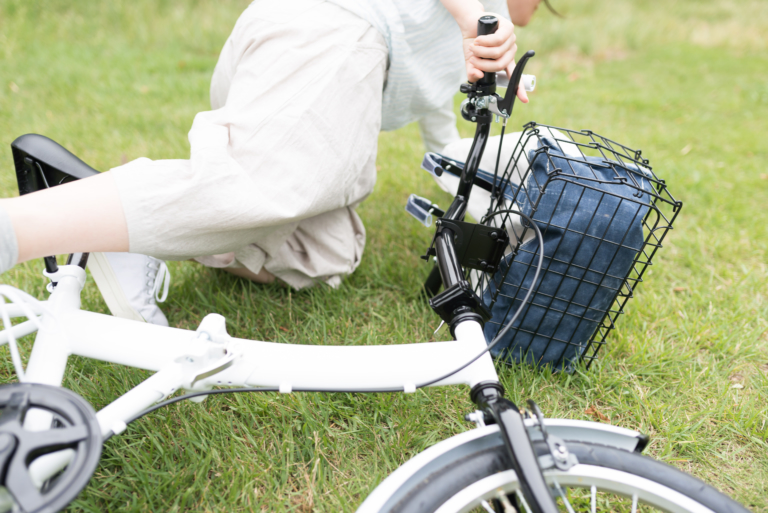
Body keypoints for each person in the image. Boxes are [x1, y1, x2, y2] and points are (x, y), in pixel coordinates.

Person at [0, 0, 542, 325]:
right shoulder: (476, 13)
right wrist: (476, 16)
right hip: (327, 37)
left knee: (325, 251)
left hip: (304, 57)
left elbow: (445, 136)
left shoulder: (460, 35)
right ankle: (17, 230)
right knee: (255, 189)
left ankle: (121, 233)